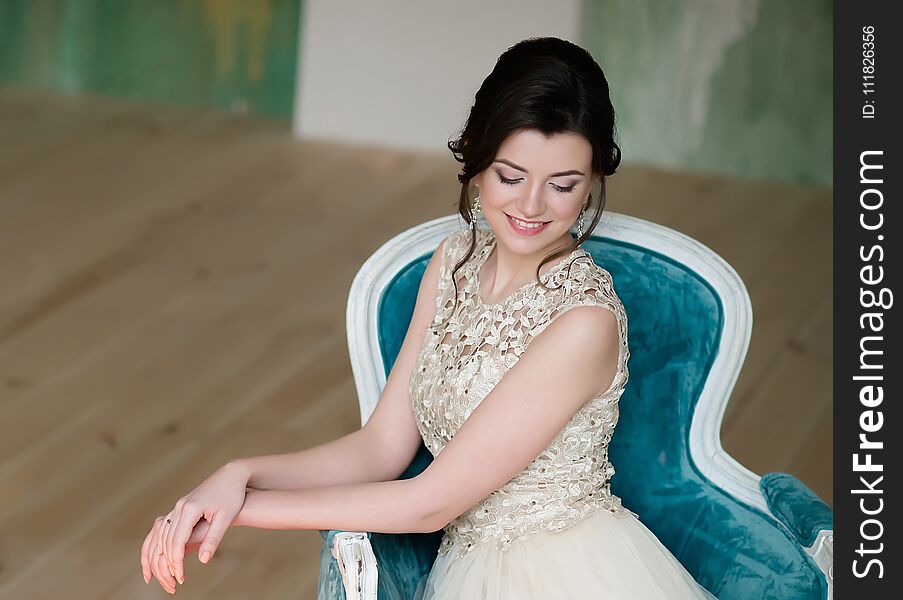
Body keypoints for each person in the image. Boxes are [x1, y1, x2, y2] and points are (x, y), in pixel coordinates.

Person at [139, 36, 717, 599]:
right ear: (477, 161)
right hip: (470, 567)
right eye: (510, 177)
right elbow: (381, 449)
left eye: (563, 186)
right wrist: (239, 473)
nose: (532, 206)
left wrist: (242, 512)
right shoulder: (453, 262)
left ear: (592, 183)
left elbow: (429, 503)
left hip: (561, 572)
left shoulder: (583, 323)